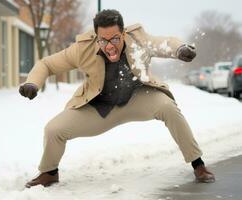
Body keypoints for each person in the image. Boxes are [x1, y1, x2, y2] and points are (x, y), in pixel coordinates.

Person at [19, 9, 215, 188]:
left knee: (168, 107)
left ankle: (198, 165)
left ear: (123, 33)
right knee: (53, 130)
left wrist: (180, 48)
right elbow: (47, 64)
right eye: (103, 41)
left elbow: (163, 43)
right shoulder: (82, 49)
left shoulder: (138, 39)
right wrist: (33, 83)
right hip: (99, 108)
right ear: (96, 37)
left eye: (114, 39)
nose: (109, 46)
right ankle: (49, 173)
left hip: (137, 99)